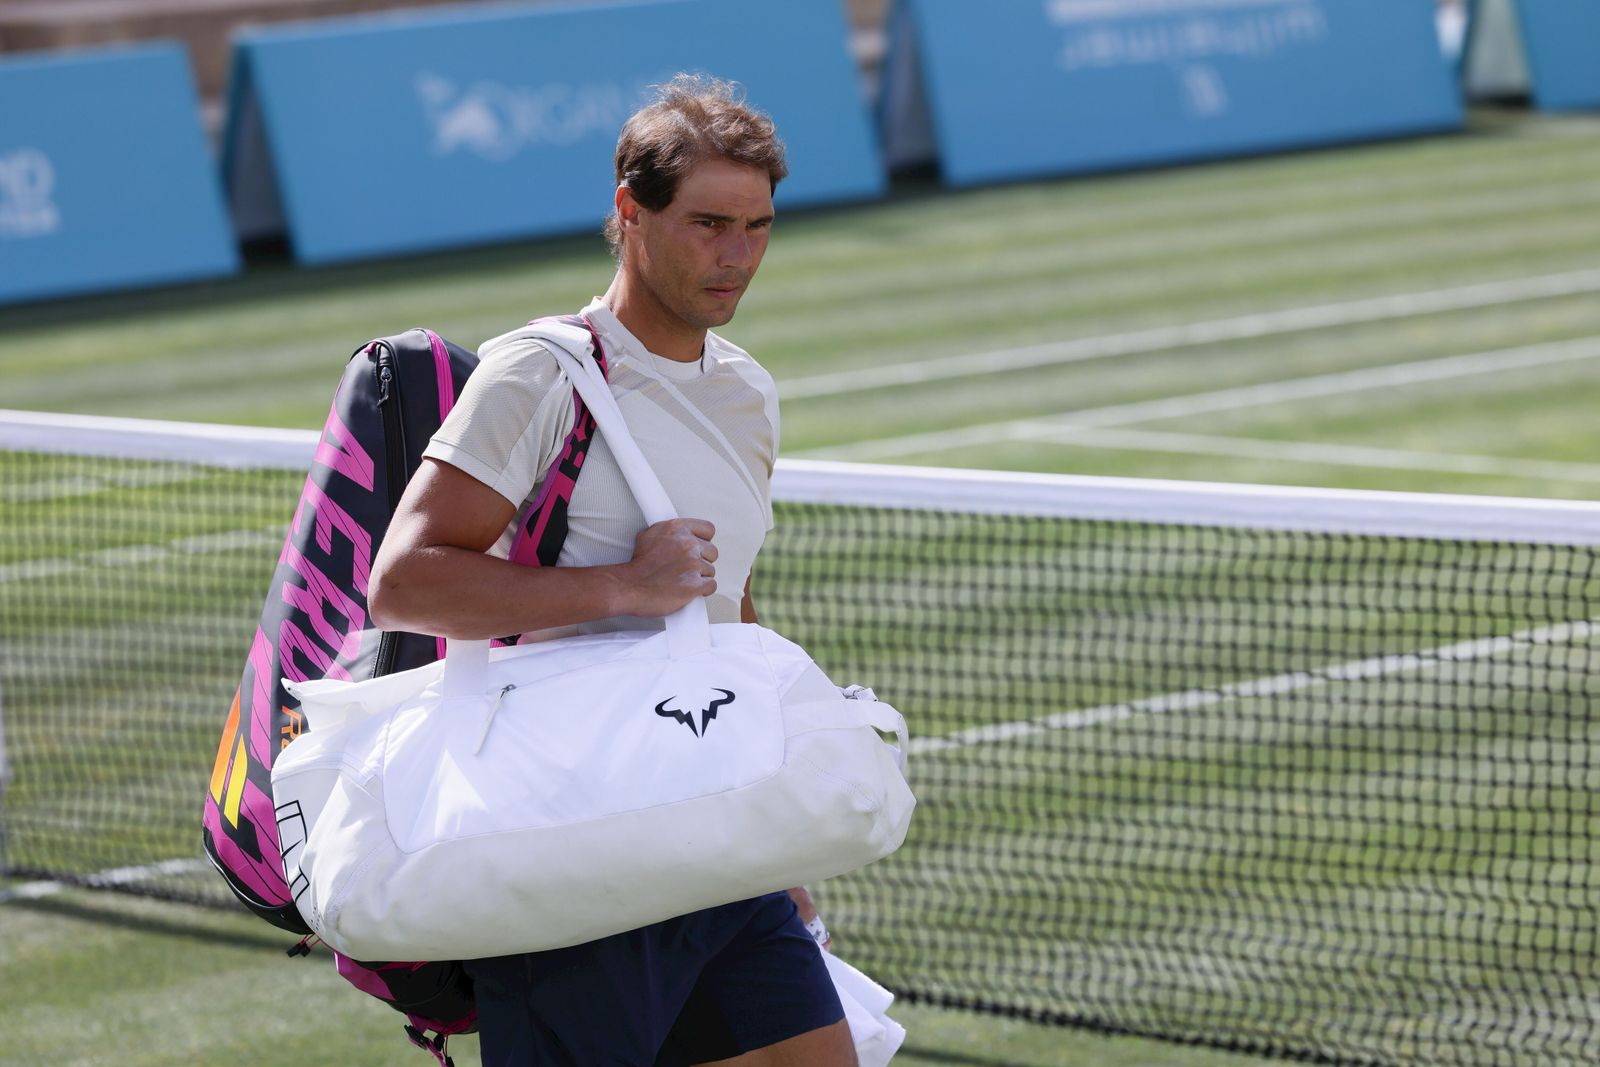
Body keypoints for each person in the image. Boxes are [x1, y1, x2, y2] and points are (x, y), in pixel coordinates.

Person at [368, 75, 857, 1067]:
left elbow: (725, 603)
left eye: (758, 227)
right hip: (574, 837)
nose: (736, 256)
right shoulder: (538, 372)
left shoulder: (748, 392)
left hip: (711, 828)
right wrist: (619, 587)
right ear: (629, 213)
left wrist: (773, 829)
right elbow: (405, 578)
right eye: (709, 223)